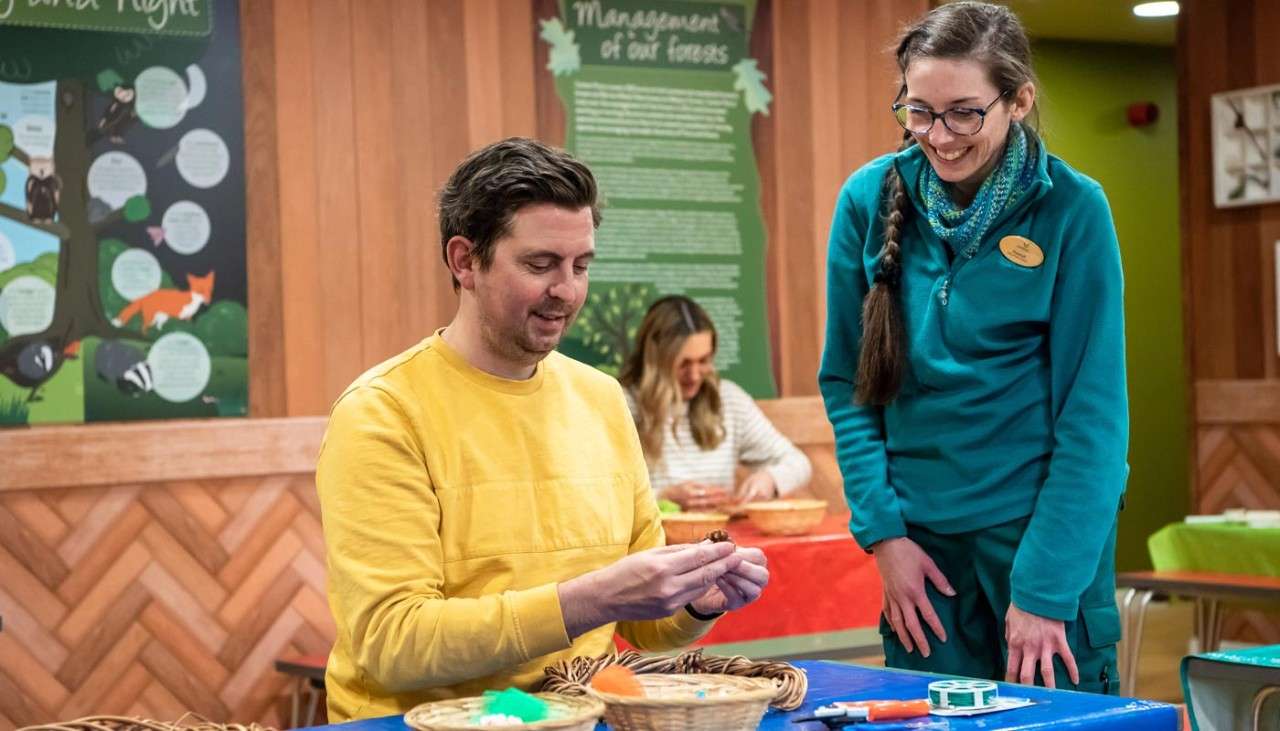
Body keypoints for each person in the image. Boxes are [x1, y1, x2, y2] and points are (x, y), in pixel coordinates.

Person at [316, 138, 770, 721]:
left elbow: (641, 626)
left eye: (581, 266)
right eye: (540, 265)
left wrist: (693, 603)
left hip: (579, 716)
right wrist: (589, 600)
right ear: (464, 261)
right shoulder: (382, 413)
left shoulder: (602, 398)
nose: (568, 291)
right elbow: (393, 644)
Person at [818, 2, 1128, 695]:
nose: (939, 136)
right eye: (918, 111)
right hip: (920, 556)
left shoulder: (1074, 210)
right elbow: (847, 385)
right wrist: (884, 535)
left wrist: (1046, 590)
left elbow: (1095, 421)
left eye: (964, 112)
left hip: (1041, 542)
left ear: (1018, 100)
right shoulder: (867, 201)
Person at [618, 295, 811, 511]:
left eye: (704, 361)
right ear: (655, 361)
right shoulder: (620, 403)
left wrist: (769, 480)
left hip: (718, 541)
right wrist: (662, 497)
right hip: (652, 542)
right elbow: (604, 493)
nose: (694, 375)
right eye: (683, 364)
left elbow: (797, 462)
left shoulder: (728, 400)